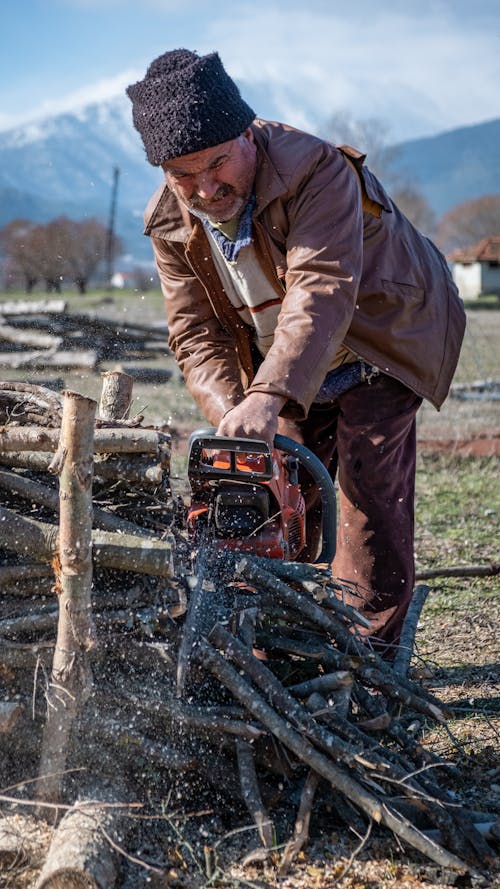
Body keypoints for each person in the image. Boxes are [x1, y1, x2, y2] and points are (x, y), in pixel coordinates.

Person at [127, 49, 466, 655]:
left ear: (247, 133)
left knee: (367, 507)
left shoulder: (315, 169)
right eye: (183, 174)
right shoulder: (170, 220)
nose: (206, 188)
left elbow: (322, 290)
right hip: (286, 357)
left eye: (218, 163)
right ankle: (276, 651)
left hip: (379, 333)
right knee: (274, 499)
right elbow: (195, 332)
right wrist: (238, 415)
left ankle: (368, 668)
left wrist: (269, 394)